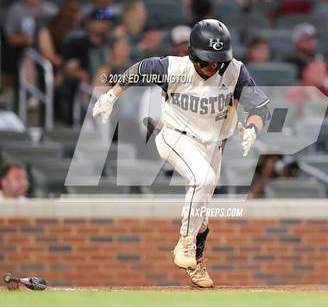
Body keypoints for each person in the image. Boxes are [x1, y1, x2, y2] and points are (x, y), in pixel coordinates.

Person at [92, 19, 270, 288]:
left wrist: (253, 130)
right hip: (175, 135)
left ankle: (196, 263)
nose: (214, 66)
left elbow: (260, 108)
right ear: (193, 55)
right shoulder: (172, 67)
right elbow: (139, 70)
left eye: (218, 61)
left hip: (212, 145)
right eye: (207, 61)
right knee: (204, 180)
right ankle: (184, 245)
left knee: (201, 214)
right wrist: (111, 96)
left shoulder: (235, 71)